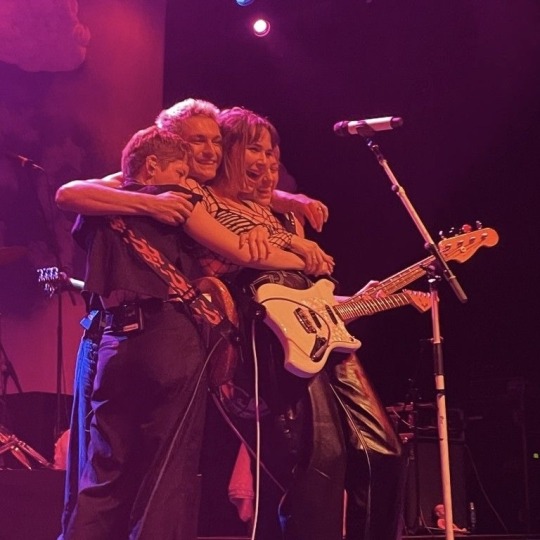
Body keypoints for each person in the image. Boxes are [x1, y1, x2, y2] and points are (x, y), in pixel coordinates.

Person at [55, 98, 332, 538]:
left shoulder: (130, 193)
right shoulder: (177, 194)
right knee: (166, 472)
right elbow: (238, 249)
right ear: (166, 150)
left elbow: (73, 196)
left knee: (105, 469)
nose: (209, 152)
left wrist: (289, 200)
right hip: (162, 335)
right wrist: (303, 254)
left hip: (115, 342)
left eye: (216, 142)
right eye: (196, 142)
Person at [191, 106, 408, 540]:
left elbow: (307, 289)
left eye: (272, 154)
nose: (266, 163)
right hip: (270, 339)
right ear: (229, 151)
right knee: (319, 462)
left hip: (320, 333)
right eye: (254, 150)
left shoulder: (283, 214)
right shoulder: (206, 201)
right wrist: (291, 243)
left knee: (382, 452)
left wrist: (355, 298)